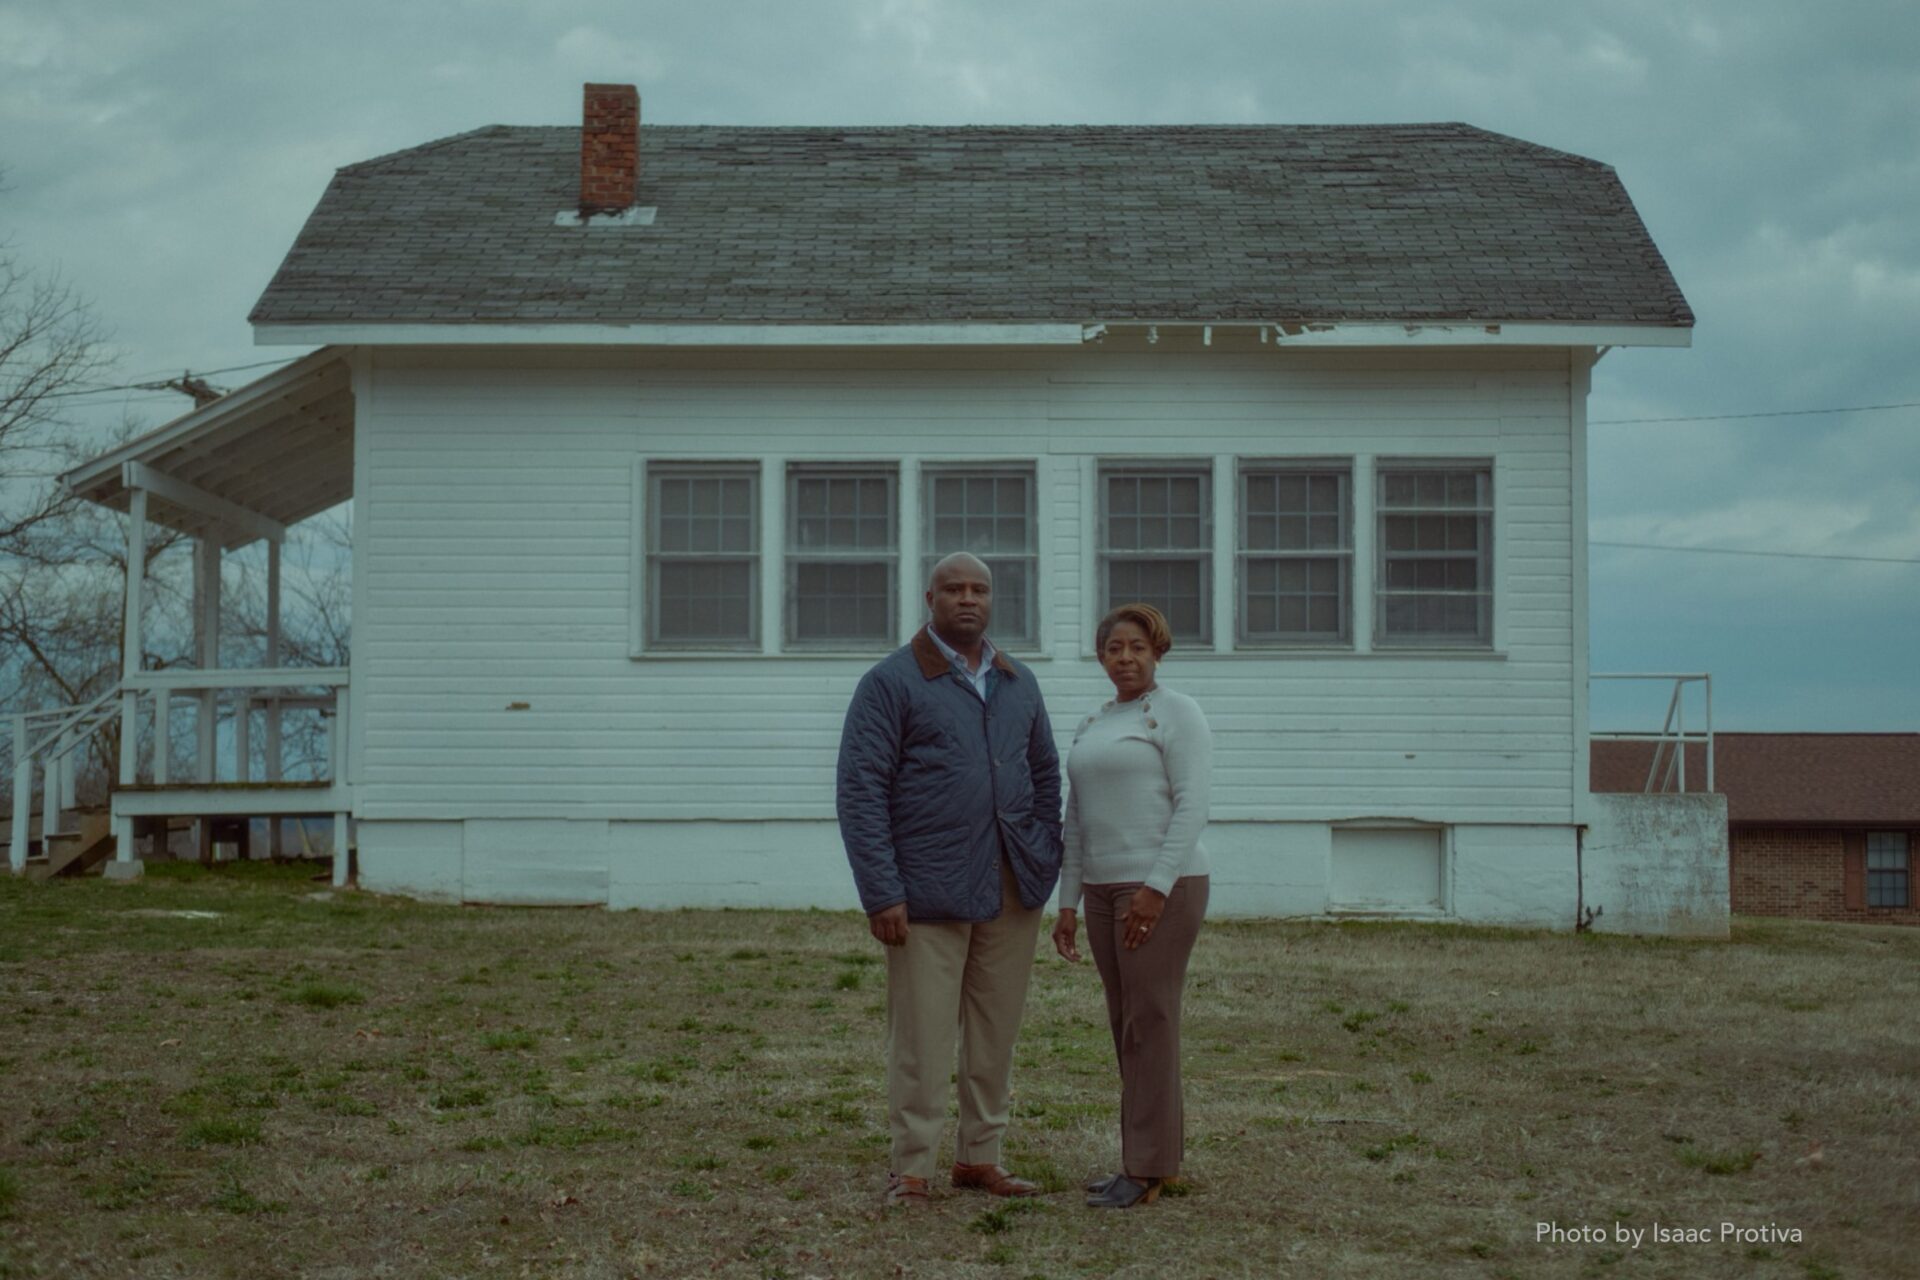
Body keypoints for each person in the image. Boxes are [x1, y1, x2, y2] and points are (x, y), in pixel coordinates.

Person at [836, 551, 1065, 1208]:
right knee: (923, 1036)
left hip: (1011, 888)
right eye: (954, 589)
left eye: (980, 589)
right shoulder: (893, 682)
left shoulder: (1019, 681)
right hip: (926, 892)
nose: (968, 599)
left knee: (996, 1033)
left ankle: (979, 1159)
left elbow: (1046, 778)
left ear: (992, 600)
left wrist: (1042, 858)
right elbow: (861, 791)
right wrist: (882, 891)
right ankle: (912, 1167)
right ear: (929, 598)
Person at [1051, 602, 1212, 1209]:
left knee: (1151, 1020)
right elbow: (1076, 818)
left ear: (1158, 651)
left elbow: (1193, 805)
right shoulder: (1093, 723)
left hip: (1160, 888)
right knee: (1128, 1024)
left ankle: (1144, 1170)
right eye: (1114, 648)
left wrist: (1156, 885)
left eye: (1137, 648)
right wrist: (1067, 903)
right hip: (1099, 890)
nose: (1125, 658)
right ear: (1101, 657)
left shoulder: (1176, 714)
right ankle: (1152, 1160)